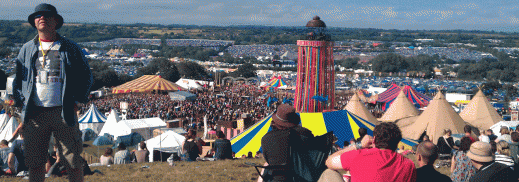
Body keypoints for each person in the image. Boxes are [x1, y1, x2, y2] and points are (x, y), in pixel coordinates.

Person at [12, 3, 93, 181]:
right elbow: (18, 79)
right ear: (34, 22)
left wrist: (78, 99)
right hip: (35, 113)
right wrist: (20, 105)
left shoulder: (70, 48)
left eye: (47, 15)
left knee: (72, 161)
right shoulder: (27, 48)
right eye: (38, 15)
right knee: (35, 162)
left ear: (56, 21)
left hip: (63, 111)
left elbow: (86, 75)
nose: (42, 18)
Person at [321, 122, 416, 182]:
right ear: (397, 143)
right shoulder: (409, 165)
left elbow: (329, 162)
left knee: (329, 173)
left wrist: (358, 145)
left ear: (373, 140)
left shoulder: (358, 156)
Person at [260, 104, 314, 181]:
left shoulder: (266, 139)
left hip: (277, 178)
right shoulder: (305, 134)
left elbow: (268, 160)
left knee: (266, 166)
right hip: (303, 177)